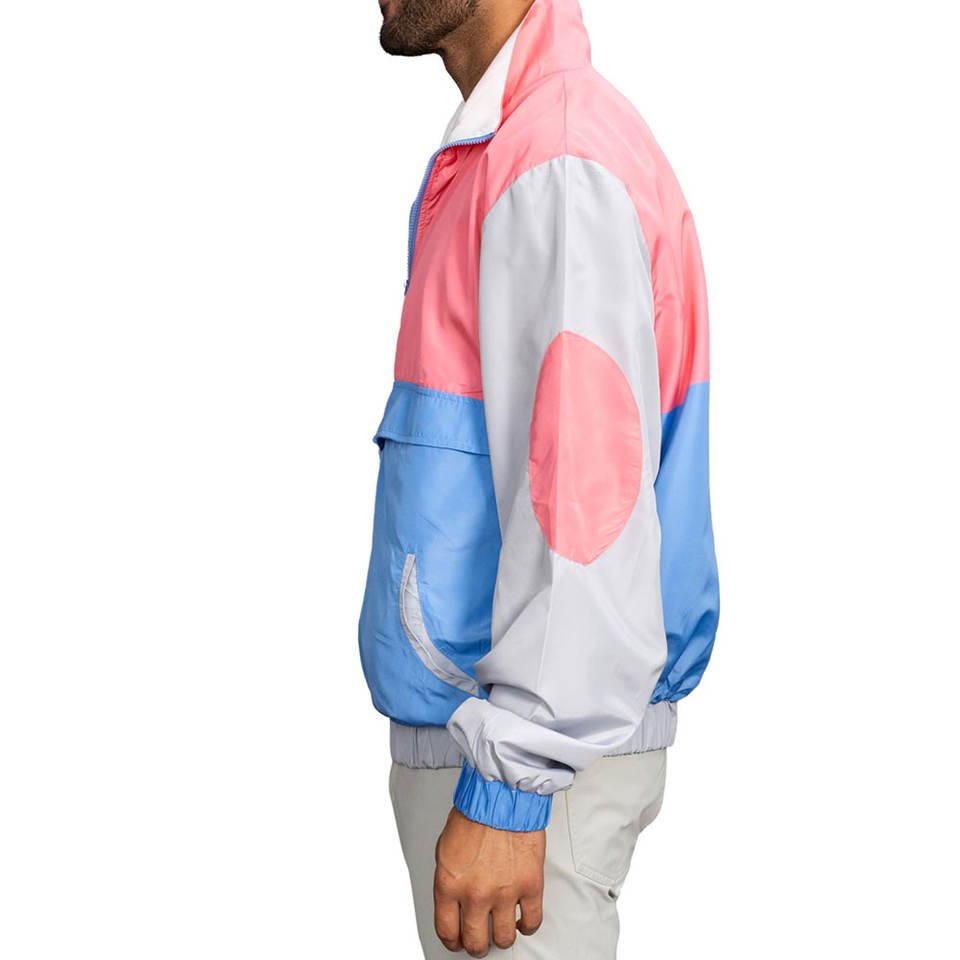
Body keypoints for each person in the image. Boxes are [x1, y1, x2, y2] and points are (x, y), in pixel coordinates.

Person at [359, 0, 719, 956]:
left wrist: (510, 786)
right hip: (504, 756)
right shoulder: (515, 145)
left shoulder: (554, 160)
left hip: (525, 777)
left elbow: (583, 513)